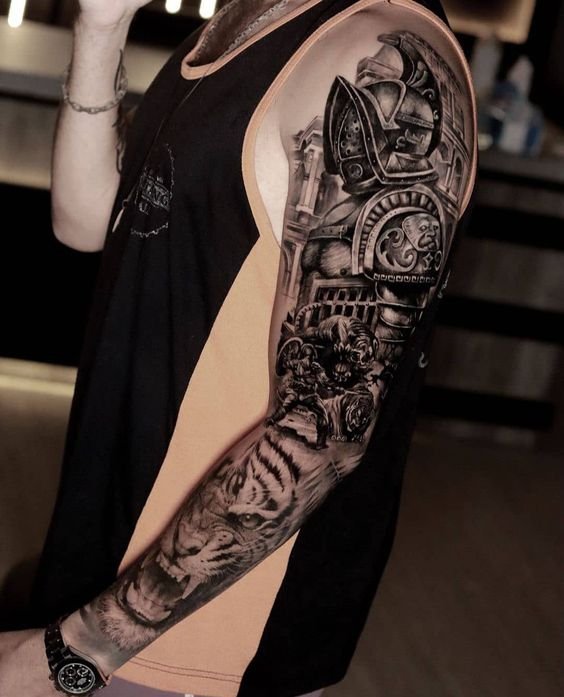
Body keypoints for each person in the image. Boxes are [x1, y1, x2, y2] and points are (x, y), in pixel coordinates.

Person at [0, 1, 477, 696]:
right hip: (104, 566)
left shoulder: (366, 47)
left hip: (192, 639)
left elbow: (323, 434)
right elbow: (88, 218)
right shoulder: (247, 19)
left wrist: (70, 656)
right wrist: (102, 27)